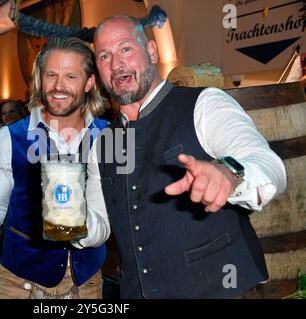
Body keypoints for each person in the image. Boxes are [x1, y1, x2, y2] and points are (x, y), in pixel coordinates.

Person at [89, 15, 287, 298]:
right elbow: (101, 223)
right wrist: (69, 218)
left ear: (152, 52)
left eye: (126, 48)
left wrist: (228, 174)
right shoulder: (104, 142)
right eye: (104, 55)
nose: (116, 63)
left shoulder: (204, 104)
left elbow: (268, 164)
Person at [0, 37, 110, 299]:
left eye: (71, 76)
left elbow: (110, 218)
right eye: (51, 75)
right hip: (19, 286)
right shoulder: (10, 138)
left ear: (90, 82)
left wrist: (77, 223)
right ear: (39, 79)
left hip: (86, 286)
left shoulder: (109, 138)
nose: (59, 86)